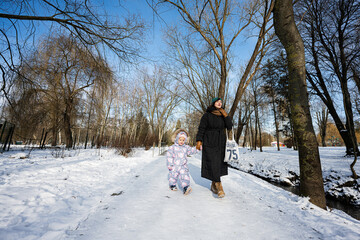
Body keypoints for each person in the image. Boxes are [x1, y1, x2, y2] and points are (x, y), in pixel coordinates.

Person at [195, 97, 233, 198]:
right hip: (210, 141)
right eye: (217, 102)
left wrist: (226, 116)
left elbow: (230, 126)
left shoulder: (223, 114)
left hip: (221, 142)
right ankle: (219, 187)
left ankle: (213, 184)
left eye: (221, 102)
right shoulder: (207, 115)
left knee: (219, 164)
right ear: (213, 103)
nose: (219, 103)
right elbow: (201, 128)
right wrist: (199, 140)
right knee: (213, 162)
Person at [166, 129, 199, 195]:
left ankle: (185, 187)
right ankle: (172, 185)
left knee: (185, 176)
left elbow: (191, 151)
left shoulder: (186, 147)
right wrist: (170, 164)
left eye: (183, 140)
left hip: (183, 166)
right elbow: (169, 156)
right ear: (177, 139)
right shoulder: (172, 148)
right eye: (180, 140)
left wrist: (197, 148)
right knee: (173, 176)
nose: (181, 141)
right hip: (174, 166)